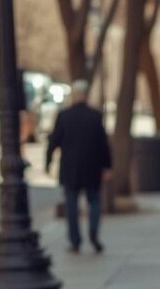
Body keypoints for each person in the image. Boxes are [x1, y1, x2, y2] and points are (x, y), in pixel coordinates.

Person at [46, 79, 112, 254]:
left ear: (74, 96)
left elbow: (53, 141)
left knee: (72, 206)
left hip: (70, 169)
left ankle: (75, 240)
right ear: (86, 95)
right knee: (94, 201)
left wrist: (48, 161)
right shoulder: (95, 116)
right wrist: (107, 166)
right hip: (92, 168)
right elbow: (103, 144)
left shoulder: (64, 116)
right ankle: (93, 232)